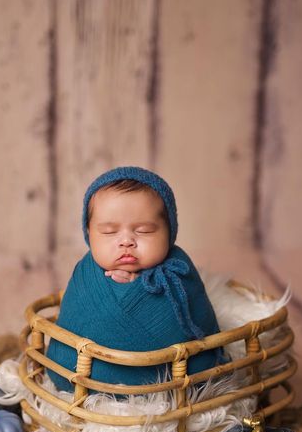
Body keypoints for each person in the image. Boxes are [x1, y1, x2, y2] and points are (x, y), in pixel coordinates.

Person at [46, 166, 225, 392]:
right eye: (110, 232)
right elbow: (73, 319)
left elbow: (196, 323)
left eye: (144, 231)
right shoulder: (86, 273)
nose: (126, 241)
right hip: (78, 374)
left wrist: (144, 288)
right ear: (89, 234)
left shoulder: (177, 273)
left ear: (169, 233)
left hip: (168, 384)